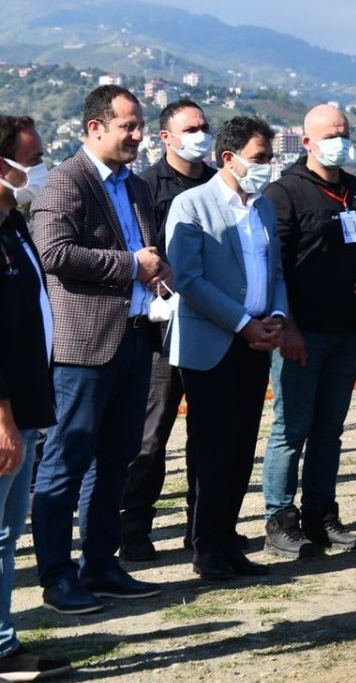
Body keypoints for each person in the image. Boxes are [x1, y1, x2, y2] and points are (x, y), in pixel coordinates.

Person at [31, 84, 168, 613]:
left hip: (135, 339)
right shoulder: (67, 181)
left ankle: (102, 565)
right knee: (66, 462)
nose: (137, 135)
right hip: (83, 348)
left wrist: (157, 274)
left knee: (117, 460)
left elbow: (144, 252)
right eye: (128, 126)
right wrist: (132, 266)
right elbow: (54, 252)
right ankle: (56, 576)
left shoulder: (133, 187)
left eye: (139, 126)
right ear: (96, 127)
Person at [163, 117, 288, 580]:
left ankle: (228, 540)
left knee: (240, 449)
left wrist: (275, 317)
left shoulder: (264, 209)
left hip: (256, 343)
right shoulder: (191, 205)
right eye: (259, 159)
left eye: (269, 158)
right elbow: (189, 278)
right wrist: (242, 325)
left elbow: (274, 272)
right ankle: (206, 545)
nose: (266, 168)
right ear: (228, 159)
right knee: (213, 449)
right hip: (213, 343)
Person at [260, 104, 356, 558]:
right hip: (301, 332)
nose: (340, 141)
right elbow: (274, 268)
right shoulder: (284, 193)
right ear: (306, 142)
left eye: (345, 133)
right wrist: (287, 326)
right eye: (331, 134)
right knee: (291, 428)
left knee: (330, 430)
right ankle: (280, 518)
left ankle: (322, 514)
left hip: (346, 329)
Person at [122, 98, 214, 562]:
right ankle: (135, 528)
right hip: (159, 331)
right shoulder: (145, 187)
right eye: (191, 128)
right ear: (166, 136)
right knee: (151, 434)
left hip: (211, 327)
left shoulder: (220, 185)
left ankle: (203, 529)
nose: (200, 134)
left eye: (204, 126)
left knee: (209, 432)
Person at [0, 116, 73, 679]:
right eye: (33, 158)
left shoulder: (14, 225)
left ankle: (4, 644)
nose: (41, 168)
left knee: (7, 534)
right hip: (5, 413)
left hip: (27, 405)